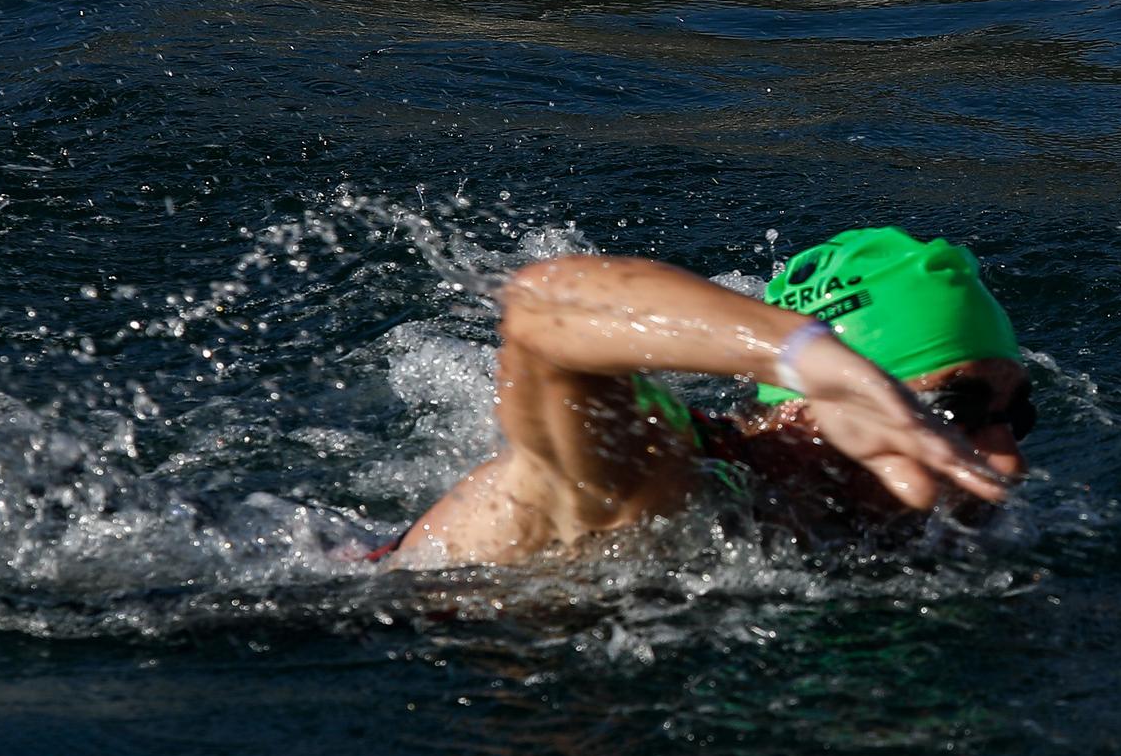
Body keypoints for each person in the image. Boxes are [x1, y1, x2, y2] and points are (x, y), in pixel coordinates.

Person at [378, 227, 1035, 569]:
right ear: (808, 406)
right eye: (952, 412)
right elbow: (542, 307)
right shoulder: (654, 471)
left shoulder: (882, 536)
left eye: (1015, 417)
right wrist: (810, 357)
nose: (1007, 465)